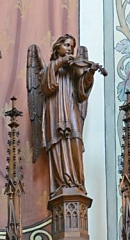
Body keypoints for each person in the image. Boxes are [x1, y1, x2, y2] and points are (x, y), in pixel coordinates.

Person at [39, 35, 96, 195]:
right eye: (66, 45)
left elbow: (82, 93)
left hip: (71, 109)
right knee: (58, 143)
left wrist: (89, 73)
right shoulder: (50, 69)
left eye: (72, 46)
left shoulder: (75, 69)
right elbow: (46, 87)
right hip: (55, 110)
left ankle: (77, 183)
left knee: (74, 142)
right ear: (58, 48)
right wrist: (60, 62)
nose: (69, 48)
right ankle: (62, 183)